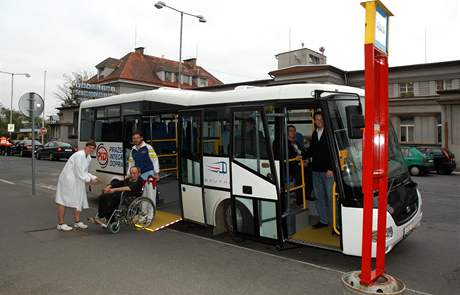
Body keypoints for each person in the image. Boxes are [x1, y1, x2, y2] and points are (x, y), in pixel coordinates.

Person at [55, 140, 99, 231]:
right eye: (89, 147)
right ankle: (61, 224)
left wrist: (94, 177)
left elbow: (84, 172)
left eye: (92, 149)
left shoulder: (88, 158)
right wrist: (90, 180)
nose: (91, 150)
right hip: (67, 180)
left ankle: (77, 222)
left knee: (79, 199)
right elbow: (79, 171)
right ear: (85, 147)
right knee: (62, 200)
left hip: (77, 181)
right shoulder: (79, 155)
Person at [309, 112, 334, 229]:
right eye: (317, 119)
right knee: (319, 197)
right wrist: (303, 158)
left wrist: (331, 168)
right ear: (314, 121)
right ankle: (323, 221)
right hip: (316, 170)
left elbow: (334, 152)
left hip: (328, 171)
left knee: (330, 197)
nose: (319, 121)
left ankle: (335, 224)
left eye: (321, 119)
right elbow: (312, 150)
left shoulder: (330, 133)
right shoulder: (315, 134)